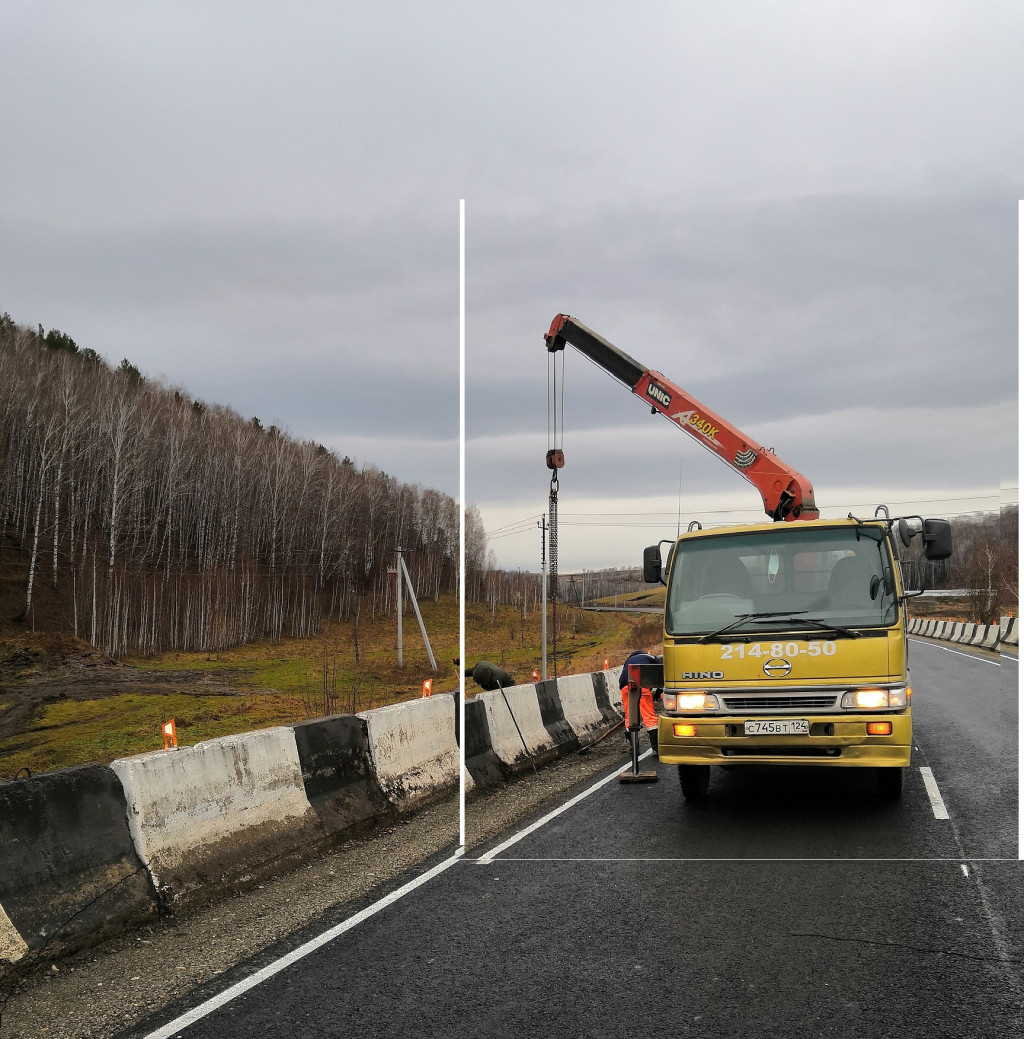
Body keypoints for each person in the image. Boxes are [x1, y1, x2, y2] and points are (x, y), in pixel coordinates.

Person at [619, 650, 660, 754]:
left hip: (625, 687)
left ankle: (634, 749)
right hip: (641, 685)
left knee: (629, 716)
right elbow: (662, 672)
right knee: (648, 715)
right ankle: (656, 748)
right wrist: (659, 692)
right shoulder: (650, 658)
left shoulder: (628, 660)